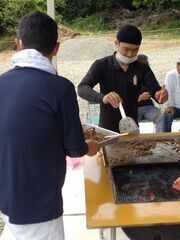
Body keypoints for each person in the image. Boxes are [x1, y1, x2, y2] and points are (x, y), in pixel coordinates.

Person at [0, 11, 98, 240]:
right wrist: (90, 146)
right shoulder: (60, 88)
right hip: (40, 205)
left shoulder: (1, 83)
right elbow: (75, 148)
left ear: (17, 44)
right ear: (57, 47)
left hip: (7, 195)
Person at [78, 24, 168, 133]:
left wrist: (160, 96)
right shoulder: (102, 65)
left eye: (135, 50)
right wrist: (103, 97)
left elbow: (155, 90)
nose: (130, 54)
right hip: (108, 128)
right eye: (126, 49)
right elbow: (82, 88)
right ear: (116, 44)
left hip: (132, 127)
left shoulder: (142, 67)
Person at [137, 54, 164, 132]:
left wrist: (159, 95)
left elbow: (156, 90)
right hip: (133, 108)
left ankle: (159, 140)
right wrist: (139, 98)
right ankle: (135, 142)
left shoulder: (148, 75)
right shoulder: (129, 75)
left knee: (160, 117)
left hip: (148, 107)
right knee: (131, 123)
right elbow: (124, 99)